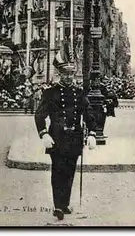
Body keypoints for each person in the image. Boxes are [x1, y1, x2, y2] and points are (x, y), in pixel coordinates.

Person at [34, 45, 97, 221]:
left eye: (71, 73)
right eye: (65, 74)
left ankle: (65, 203)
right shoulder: (50, 93)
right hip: (57, 138)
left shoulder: (79, 93)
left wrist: (92, 133)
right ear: (60, 74)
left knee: (69, 171)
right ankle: (58, 206)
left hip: (75, 138)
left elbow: (89, 113)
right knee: (58, 171)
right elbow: (39, 115)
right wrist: (43, 134)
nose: (69, 77)